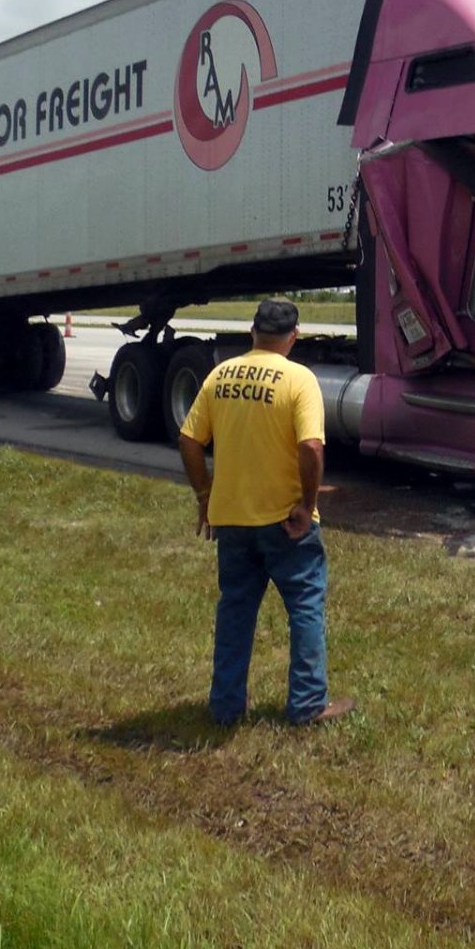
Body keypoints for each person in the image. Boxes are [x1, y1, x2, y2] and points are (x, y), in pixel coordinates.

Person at [177, 298, 352, 726]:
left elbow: (189, 440)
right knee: (305, 605)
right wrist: (306, 505)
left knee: (235, 610)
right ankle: (308, 704)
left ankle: (225, 707)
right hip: (284, 522)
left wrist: (205, 495)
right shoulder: (299, 379)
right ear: (293, 337)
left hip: (232, 518)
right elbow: (311, 447)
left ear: (252, 332)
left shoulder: (220, 376)